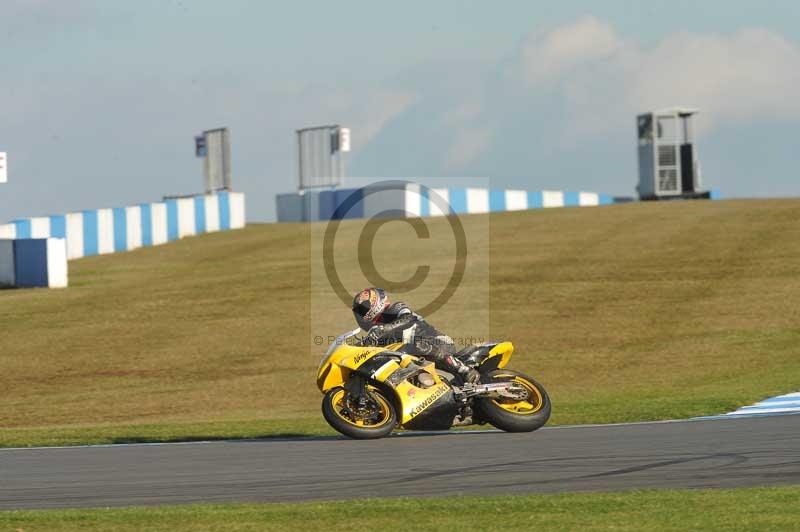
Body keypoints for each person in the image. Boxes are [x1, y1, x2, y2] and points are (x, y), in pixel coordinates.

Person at [351, 287, 480, 384]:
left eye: (363, 309)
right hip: (414, 357)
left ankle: (464, 370)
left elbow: (408, 318)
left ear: (375, 302)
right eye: (359, 312)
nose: (361, 315)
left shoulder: (395, 308)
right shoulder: (376, 333)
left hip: (437, 343)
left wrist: (384, 328)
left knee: (414, 345)